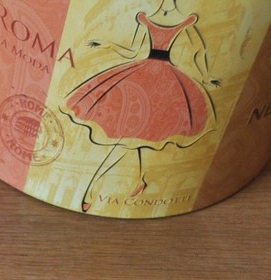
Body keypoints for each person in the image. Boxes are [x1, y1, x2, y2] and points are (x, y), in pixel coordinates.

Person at [63, 2, 220, 211]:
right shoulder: (145, 18)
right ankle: (139, 180)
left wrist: (206, 77)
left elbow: (199, 51)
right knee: (131, 138)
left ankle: (93, 189)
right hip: (141, 76)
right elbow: (133, 51)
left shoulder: (186, 21)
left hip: (164, 83)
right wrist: (107, 45)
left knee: (129, 139)